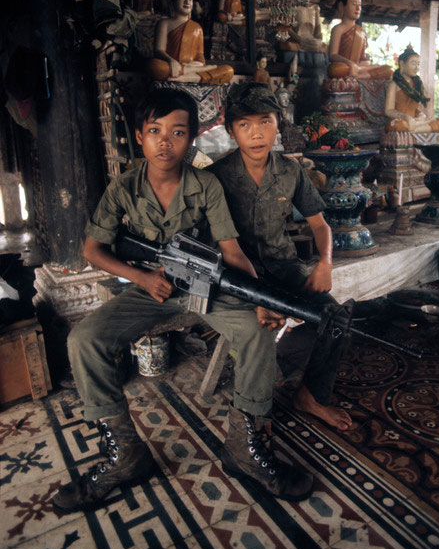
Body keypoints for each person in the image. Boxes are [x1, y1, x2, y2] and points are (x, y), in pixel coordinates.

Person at [52, 89, 313, 514]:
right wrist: (141, 276)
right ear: (140, 137)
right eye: (155, 131)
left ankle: (243, 450)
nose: (165, 142)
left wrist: (260, 298)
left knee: (255, 332)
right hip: (151, 290)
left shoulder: (206, 184)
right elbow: (93, 249)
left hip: (206, 289)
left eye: (177, 132)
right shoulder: (123, 188)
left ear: (191, 139)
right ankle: (126, 457)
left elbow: (230, 250)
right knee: (85, 339)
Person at [208, 83, 352, 431]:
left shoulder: (290, 172)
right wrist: (249, 293)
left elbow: (320, 225)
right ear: (230, 131)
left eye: (265, 122)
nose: (256, 133)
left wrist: (325, 263)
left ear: (278, 124)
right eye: (244, 125)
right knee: (256, 327)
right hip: (236, 275)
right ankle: (251, 417)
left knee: (336, 319)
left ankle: (311, 396)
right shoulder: (215, 177)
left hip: (283, 267)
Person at [146, 0, 234, 84]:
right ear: (172, 1)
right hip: (172, 66)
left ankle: (189, 76)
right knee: (154, 66)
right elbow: (158, 50)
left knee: (228, 70)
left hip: (191, 67)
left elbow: (200, 54)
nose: (187, 1)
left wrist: (199, 64)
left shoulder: (197, 27)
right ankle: (192, 74)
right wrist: (171, 61)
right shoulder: (164, 23)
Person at [327, 0, 393, 81]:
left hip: (358, 68)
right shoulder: (338, 29)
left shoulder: (361, 31)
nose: (358, 8)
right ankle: (356, 74)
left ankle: (356, 76)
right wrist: (350, 63)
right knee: (335, 70)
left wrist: (366, 63)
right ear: (342, 6)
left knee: (388, 70)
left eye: (360, 5)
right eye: (354, 4)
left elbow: (362, 58)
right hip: (344, 67)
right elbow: (332, 55)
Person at [385, 47, 439, 133]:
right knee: (399, 125)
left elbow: (416, 109)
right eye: (413, 63)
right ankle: (419, 129)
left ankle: (413, 130)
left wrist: (421, 115)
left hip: (414, 122)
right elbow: (389, 111)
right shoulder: (394, 84)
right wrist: (406, 117)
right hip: (401, 121)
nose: (417, 68)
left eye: (418, 64)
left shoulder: (417, 84)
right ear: (402, 64)